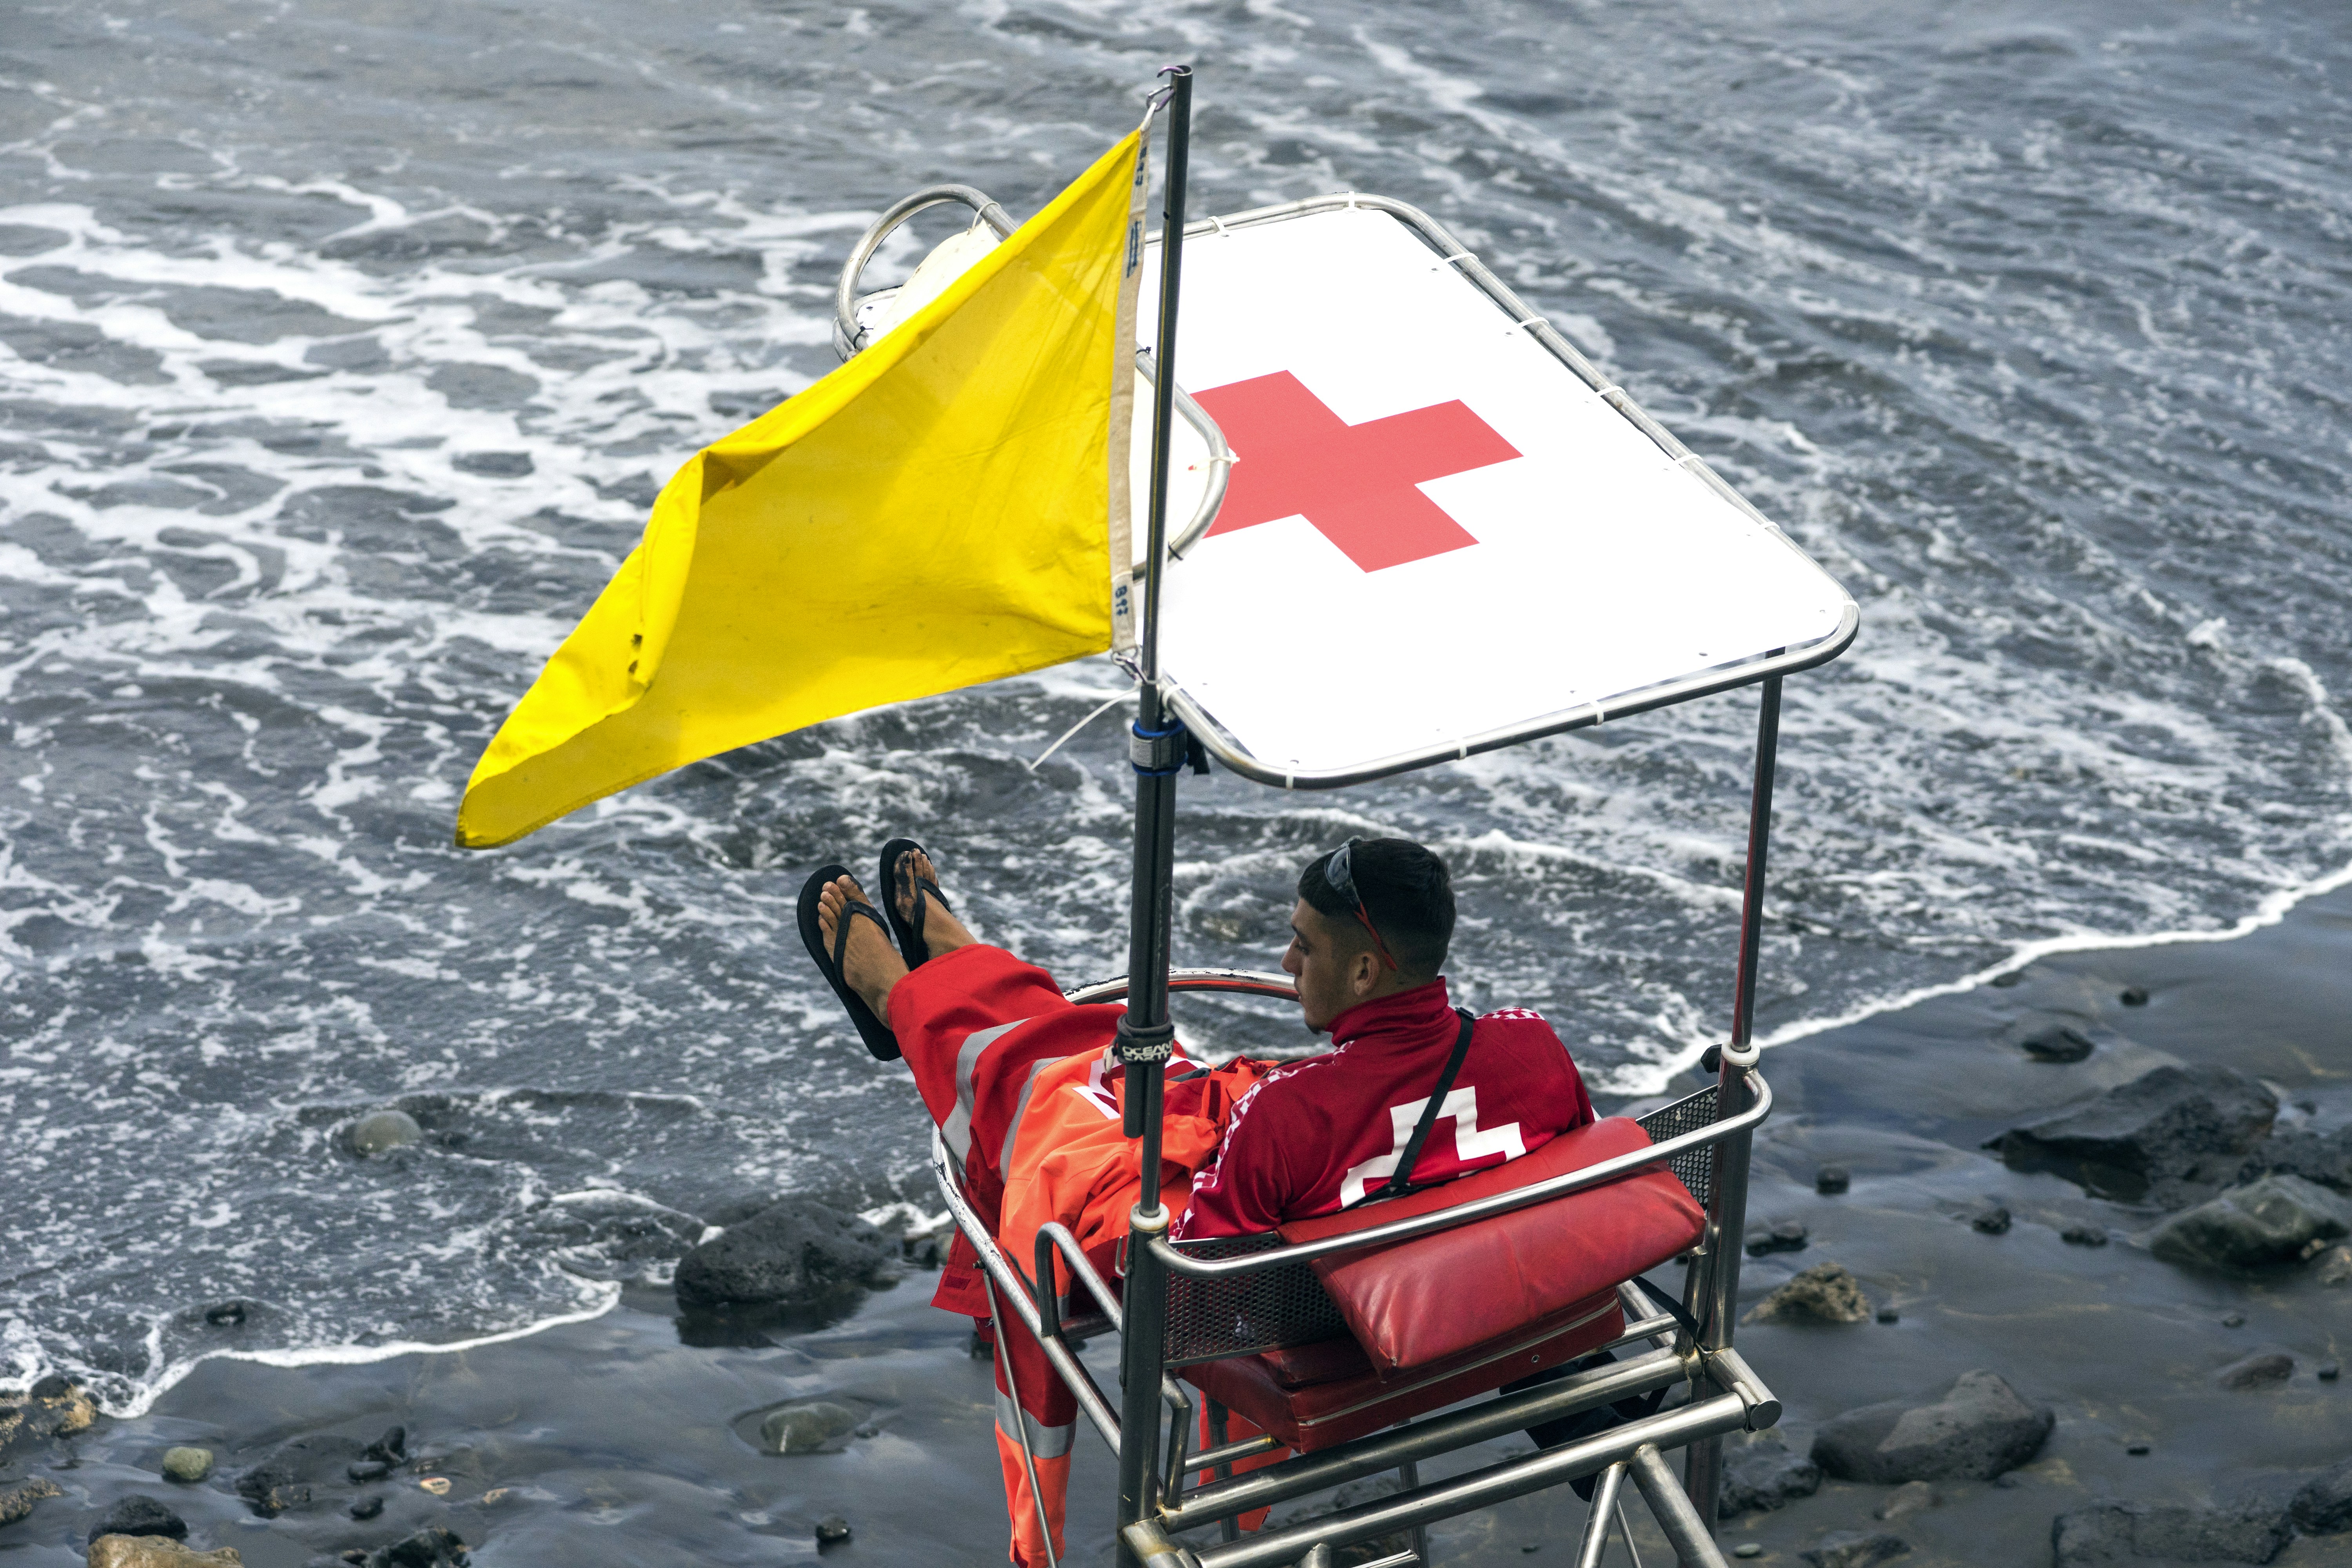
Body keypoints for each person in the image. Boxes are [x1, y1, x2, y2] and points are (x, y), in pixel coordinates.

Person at [799, 837, 1597, 1568]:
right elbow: (1575, 1173)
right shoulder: (1531, 1045)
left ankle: (911, 995)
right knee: (1115, 1081)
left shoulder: (1295, 1114)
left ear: (1363, 973)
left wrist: (1191, 1144)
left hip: (1330, 1358)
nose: (1286, 961)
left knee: (1063, 1107)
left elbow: (1188, 1297)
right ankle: (952, 973)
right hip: (1487, 1323)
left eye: (1305, 944)